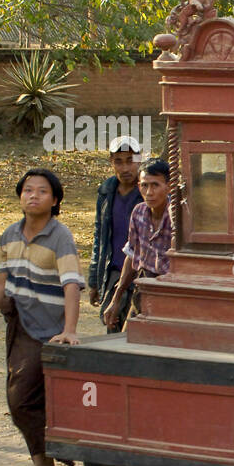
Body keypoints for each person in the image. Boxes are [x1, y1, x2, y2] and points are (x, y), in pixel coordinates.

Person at [0, 168, 85, 466]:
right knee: (22, 400)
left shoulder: (60, 236)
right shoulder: (9, 235)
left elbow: (71, 284)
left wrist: (70, 330)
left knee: (21, 400)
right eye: (27, 190)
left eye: (42, 191)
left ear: (55, 200)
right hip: (18, 325)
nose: (33, 196)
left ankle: (52, 459)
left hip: (47, 331)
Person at [104, 159, 172, 330]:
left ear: (168, 187)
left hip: (171, 292)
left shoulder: (178, 216)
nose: (149, 192)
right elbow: (132, 255)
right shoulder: (139, 212)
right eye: (144, 186)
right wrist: (115, 300)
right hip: (144, 287)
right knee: (129, 340)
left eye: (155, 185)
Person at [88, 136, 142, 332]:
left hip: (139, 273)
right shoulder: (106, 192)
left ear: (140, 160)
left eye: (130, 160)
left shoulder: (147, 191)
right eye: (118, 161)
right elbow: (99, 237)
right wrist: (95, 279)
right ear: (111, 162)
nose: (125, 168)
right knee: (113, 329)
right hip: (113, 273)